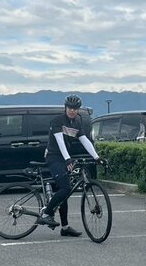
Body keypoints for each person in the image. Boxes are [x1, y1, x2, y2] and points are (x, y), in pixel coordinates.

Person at [35, 95, 103, 237]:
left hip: (64, 158)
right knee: (65, 188)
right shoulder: (57, 120)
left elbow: (85, 140)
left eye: (75, 108)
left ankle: (65, 228)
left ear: (78, 109)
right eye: (70, 108)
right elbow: (60, 141)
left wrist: (97, 157)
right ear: (65, 108)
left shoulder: (77, 122)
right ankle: (46, 213)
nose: (72, 110)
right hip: (53, 157)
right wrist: (67, 160)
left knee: (64, 191)